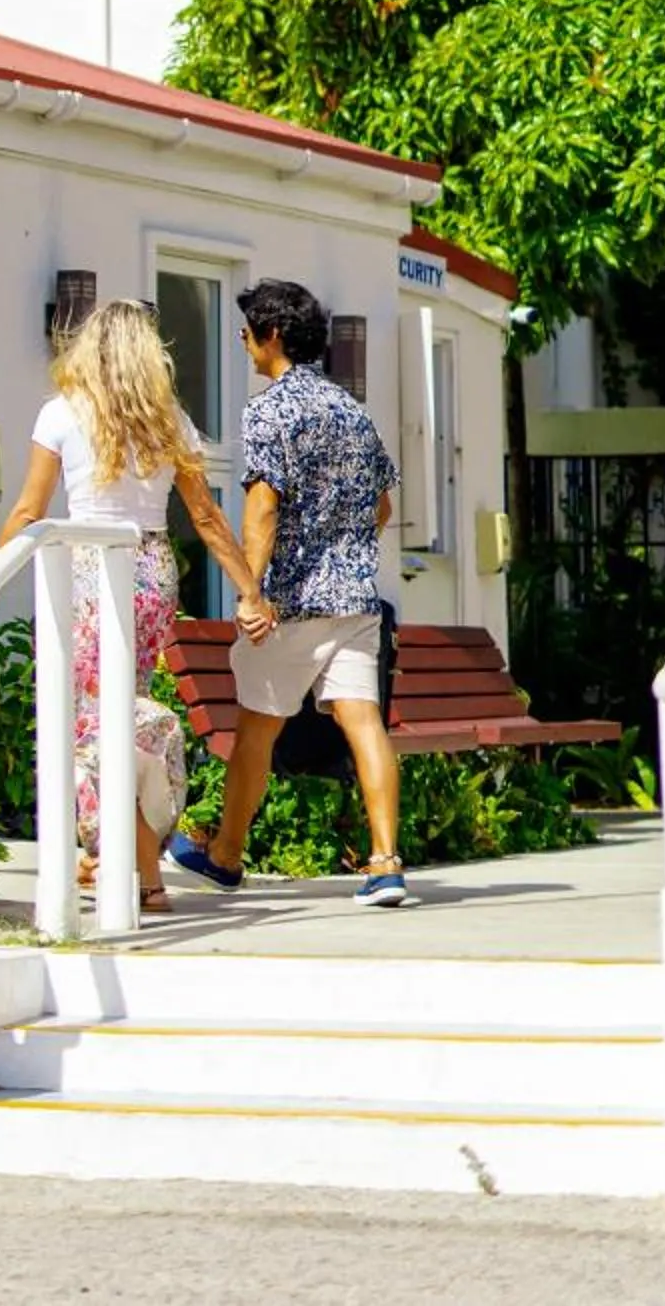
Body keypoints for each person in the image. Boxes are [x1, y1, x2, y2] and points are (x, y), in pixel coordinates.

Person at [0, 297, 263, 914]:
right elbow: (206, 517)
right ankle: (124, 856)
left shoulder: (60, 413)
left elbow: (29, 512)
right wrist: (248, 590)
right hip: (152, 569)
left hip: (84, 569)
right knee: (119, 717)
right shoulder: (170, 420)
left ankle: (136, 870)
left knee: (92, 723)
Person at [170, 277, 408, 908]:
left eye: (246, 333)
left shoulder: (269, 410)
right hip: (356, 599)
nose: (244, 345)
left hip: (294, 601)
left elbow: (262, 510)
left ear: (272, 335)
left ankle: (225, 855)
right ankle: (385, 862)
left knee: (257, 730)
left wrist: (251, 593)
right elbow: (380, 506)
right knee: (365, 724)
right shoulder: (351, 409)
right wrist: (342, 548)